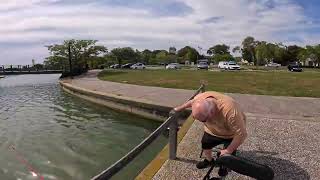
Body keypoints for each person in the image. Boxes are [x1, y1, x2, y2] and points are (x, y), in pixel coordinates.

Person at [173, 91, 247, 171]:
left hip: (230, 134)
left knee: (228, 155)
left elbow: (241, 134)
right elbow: (192, 102)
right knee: (205, 144)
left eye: (204, 120)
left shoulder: (231, 111)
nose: (204, 122)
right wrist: (180, 108)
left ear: (212, 112)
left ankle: (225, 166)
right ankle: (209, 161)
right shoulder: (199, 99)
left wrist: (228, 150)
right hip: (212, 131)